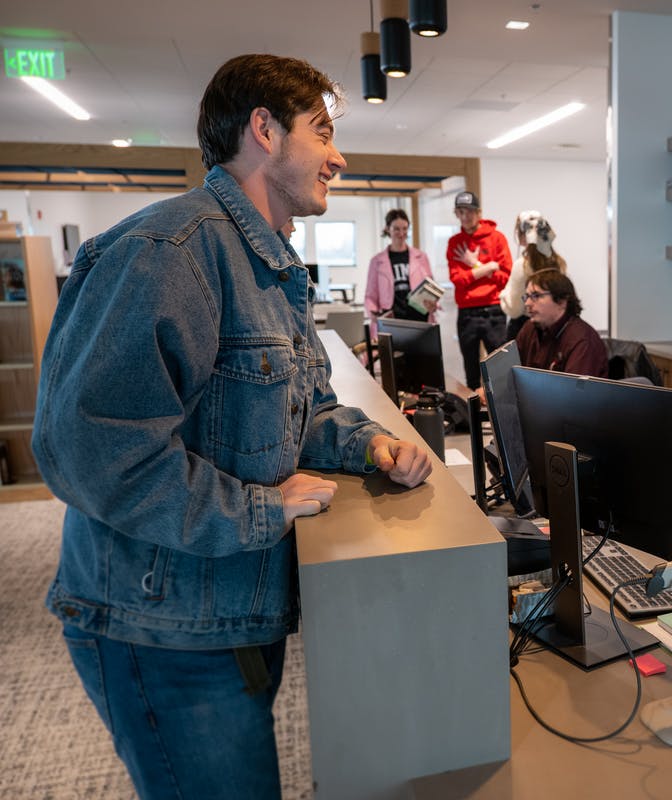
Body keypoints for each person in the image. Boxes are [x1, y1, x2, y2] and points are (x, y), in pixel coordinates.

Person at [31, 54, 433, 800]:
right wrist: (258, 511)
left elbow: (296, 404)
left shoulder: (267, 264)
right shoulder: (171, 252)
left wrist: (364, 443)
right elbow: (88, 452)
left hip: (226, 610)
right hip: (161, 629)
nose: (339, 157)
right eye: (323, 132)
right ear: (264, 130)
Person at [447, 190, 511, 402]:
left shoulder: (497, 239)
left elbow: (505, 277)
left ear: (479, 213)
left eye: (470, 212)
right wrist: (487, 268)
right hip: (467, 313)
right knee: (471, 369)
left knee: (499, 368)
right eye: (461, 212)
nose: (465, 216)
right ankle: (474, 417)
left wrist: (473, 265)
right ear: (457, 213)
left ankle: (503, 410)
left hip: (494, 309)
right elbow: (458, 280)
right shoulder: (455, 242)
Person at [515, 269, 608, 378]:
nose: (527, 303)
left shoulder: (582, 340)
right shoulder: (529, 328)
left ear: (562, 301)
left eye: (536, 296)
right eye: (527, 297)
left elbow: (572, 393)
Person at [364, 207, 435, 337]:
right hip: (392, 319)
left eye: (405, 228)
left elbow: (430, 286)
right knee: (394, 356)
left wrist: (434, 303)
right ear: (387, 229)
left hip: (419, 317)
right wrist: (372, 313)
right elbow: (370, 294)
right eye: (396, 229)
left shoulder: (421, 257)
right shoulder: (377, 261)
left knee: (421, 356)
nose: (401, 233)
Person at [500, 210, 566, 341]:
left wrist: (503, 294)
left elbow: (514, 309)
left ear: (522, 236)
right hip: (554, 329)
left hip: (526, 331)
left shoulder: (522, 266)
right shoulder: (558, 263)